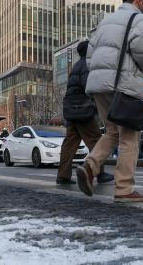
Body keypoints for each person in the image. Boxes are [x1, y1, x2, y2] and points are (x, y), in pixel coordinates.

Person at [75, 0, 143, 203]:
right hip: (124, 84)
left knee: (111, 131)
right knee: (129, 138)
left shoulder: (103, 23)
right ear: (140, 0)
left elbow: (90, 58)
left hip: (99, 85)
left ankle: (90, 167)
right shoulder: (139, 20)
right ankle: (124, 188)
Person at [57, 40, 113, 185]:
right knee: (95, 140)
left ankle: (63, 175)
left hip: (71, 110)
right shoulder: (87, 65)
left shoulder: (77, 65)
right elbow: (89, 86)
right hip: (83, 109)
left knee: (69, 144)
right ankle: (99, 172)